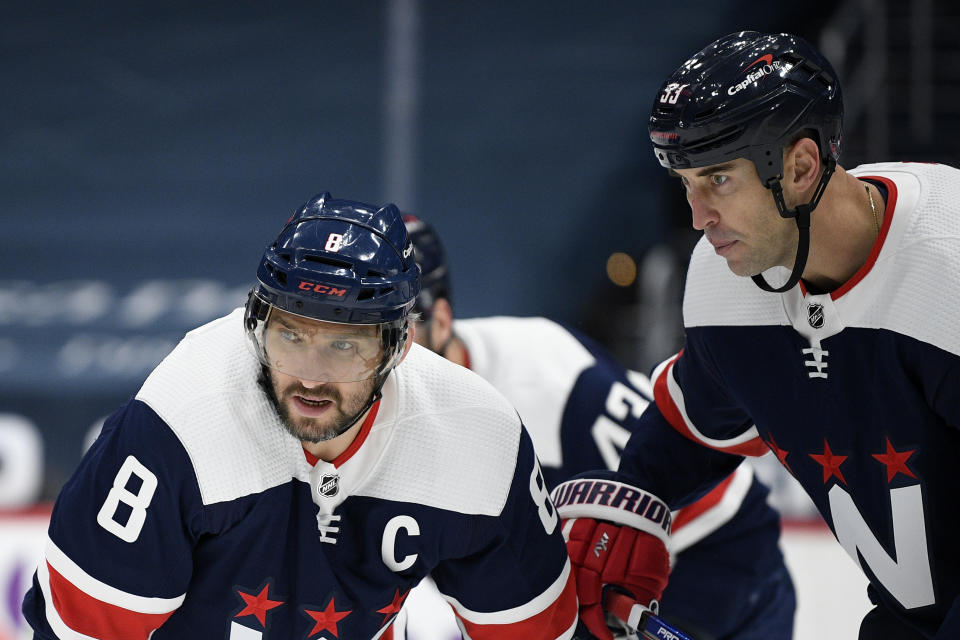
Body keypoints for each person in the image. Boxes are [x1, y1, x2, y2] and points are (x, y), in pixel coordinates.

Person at [550, 30, 960, 640]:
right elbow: (694, 421)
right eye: (686, 185)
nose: (698, 217)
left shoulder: (947, 270)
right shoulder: (726, 281)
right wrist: (637, 499)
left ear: (800, 166)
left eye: (717, 180)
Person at [21, 193, 578, 639]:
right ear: (255, 326)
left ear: (400, 346)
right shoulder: (180, 418)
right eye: (292, 336)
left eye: (343, 347)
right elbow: (78, 630)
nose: (310, 377)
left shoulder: (481, 437)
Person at [402, 216, 795, 640]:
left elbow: (660, 489)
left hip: (715, 555)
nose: (375, 358)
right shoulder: (358, 396)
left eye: (394, 328)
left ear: (440, 322)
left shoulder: (547, 384)